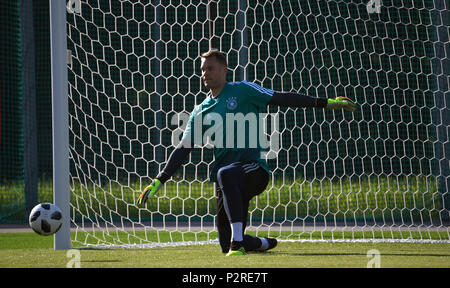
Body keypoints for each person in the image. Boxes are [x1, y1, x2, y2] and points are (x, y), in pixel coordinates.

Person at [137, 50, 356, 256]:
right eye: (203, 70)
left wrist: (326, 103)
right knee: (224, 243)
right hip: (226, 181)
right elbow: (184, 148)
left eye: (210, 68)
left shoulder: (242, 90)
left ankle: (238, 243)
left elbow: (281, 98)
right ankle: (262, 243)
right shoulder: (200, 110)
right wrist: (159, 180)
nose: (205, 74)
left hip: (254, 170)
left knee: (226, 175)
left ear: (224, 70)